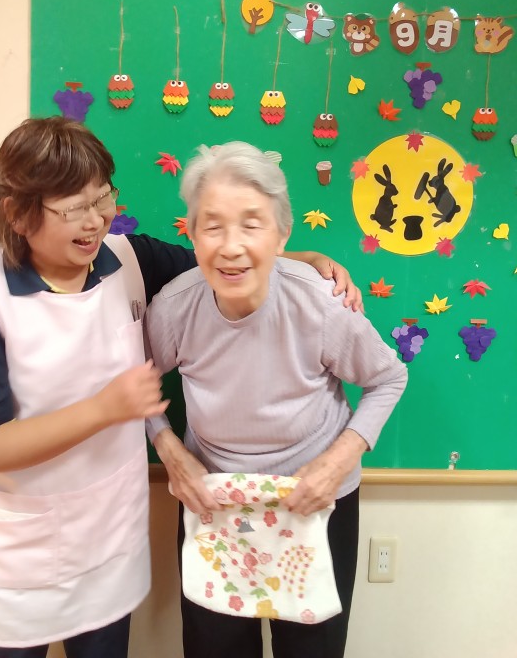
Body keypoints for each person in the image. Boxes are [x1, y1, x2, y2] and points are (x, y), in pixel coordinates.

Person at [0, 117, 362, 658]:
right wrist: (104, 409)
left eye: (103, 198)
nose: (95, 220)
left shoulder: (128, 259)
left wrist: (307, 261)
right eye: (73, 209)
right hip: (18, 555)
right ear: (18, 214)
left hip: (109, 540)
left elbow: (219, 262)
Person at [145, 141, 408, 658]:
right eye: (213, 227)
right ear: (192, 234)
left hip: (314, 503)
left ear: (283, 234)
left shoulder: (321, 302)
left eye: (252, 224)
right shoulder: (174, 307)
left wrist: (337, 461)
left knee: (311, 650)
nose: (231, 246)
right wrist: (170, 452)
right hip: (214, 501)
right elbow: (137, 384)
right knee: (215, 649)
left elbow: (388, 378)